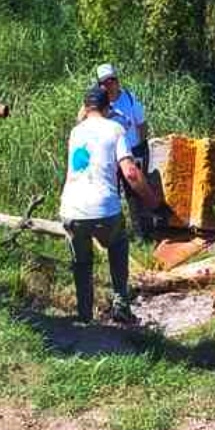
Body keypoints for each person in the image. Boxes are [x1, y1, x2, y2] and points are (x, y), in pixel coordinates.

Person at [60, 85, 159, 325]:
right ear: (108, 107)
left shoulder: (75, 132)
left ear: (85, 107)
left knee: (82, 263)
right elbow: (131, 173)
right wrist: (152, 200)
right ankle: (121, 305)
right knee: (118, 244)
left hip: (71, 209)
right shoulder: (115, 129)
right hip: (104, 208)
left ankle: (84, 318)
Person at [80, 63, 153, 239]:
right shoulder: (96, 103)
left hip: (131, 152)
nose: (110, 85)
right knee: (110, 191)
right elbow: (80, 120)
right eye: (105, 82)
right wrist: (89, 104)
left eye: (113, 80)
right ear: (99, 85)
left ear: (117, 81)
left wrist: (139, 148)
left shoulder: (128, 98)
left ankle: (141, 232)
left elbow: (142, 125)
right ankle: (115, 232)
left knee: (134, 193)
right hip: (108, 155)